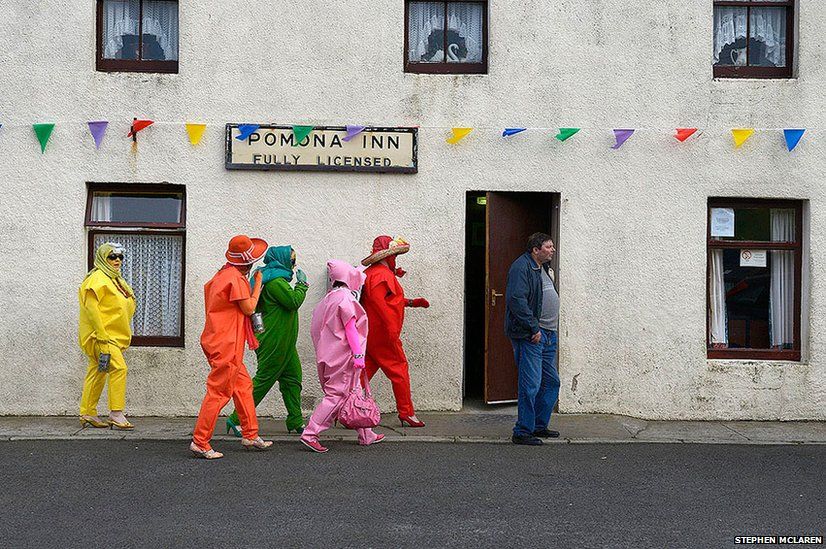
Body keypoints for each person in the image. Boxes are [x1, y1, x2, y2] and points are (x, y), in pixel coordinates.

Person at [190, 235, 274, 459]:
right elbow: (249, 308)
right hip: (226, 343)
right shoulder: (235, 279)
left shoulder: (222, 275)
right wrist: (258, 284)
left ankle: (250, 434)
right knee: (218, 392)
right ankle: (200, 441)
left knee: (243, 386)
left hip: (220, 340)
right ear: (247, 263)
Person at [299, 260, 385, 453]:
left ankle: (366, 434)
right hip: (344, 356)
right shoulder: (346, 299)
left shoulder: (327, 300)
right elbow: (351, 328)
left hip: (329, 355)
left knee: (354, 392)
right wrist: (358, 354)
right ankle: (310, 433)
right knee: (337, 395)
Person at [226, 246, 309, 437]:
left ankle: (295, 420)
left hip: (284, 342)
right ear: (281, 260)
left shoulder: (267, 277)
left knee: (292, 380)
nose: (293, 263)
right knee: (263, 381)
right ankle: (236, 418)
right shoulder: (275, 282)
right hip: (275, 340)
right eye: (291, 259)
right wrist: (302, 285)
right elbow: (293, 301)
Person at [360, 236, 429, 428]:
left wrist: (412, 302)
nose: (396, 259)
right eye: (395, 255)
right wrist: (392, 334)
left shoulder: (371, 273)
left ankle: (342, 409)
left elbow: (388, 301)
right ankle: (406, 412)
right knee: (399, 370)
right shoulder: (382, 275)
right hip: (383, 335)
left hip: (371, 334)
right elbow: (381, 305)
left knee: (362, 373)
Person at [505, 232, 561, 446]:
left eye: (552, 246)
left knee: (551, 382)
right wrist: (533, 327)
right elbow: (516, 300)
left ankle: (538, 424)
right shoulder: (522, 267)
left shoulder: (544, 268)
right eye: (548, 246)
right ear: (535, 249)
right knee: (531, 384)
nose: (552, 250)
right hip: (532, 335)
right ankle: (522, 430)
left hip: (548, 334)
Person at [78, 243, 137, 430]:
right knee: (119, 368)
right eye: (112, 256)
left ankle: (87, 412)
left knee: (98, 371)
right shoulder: (97, 279)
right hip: (102, 337)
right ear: (104, 258)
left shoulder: (115, 280)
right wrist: (102, 334)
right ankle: (116, 413)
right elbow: (91, 308)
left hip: (113, 336)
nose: (117, 260)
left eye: (120, 257)